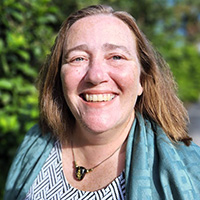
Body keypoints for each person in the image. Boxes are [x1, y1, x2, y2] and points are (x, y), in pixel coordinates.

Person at [4, 4, 200, 200]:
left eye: (116, 56)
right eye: (78, 58)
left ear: (142, 80)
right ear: (59, 78)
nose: (96, 76)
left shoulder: (191, 170)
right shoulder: (35, 143)